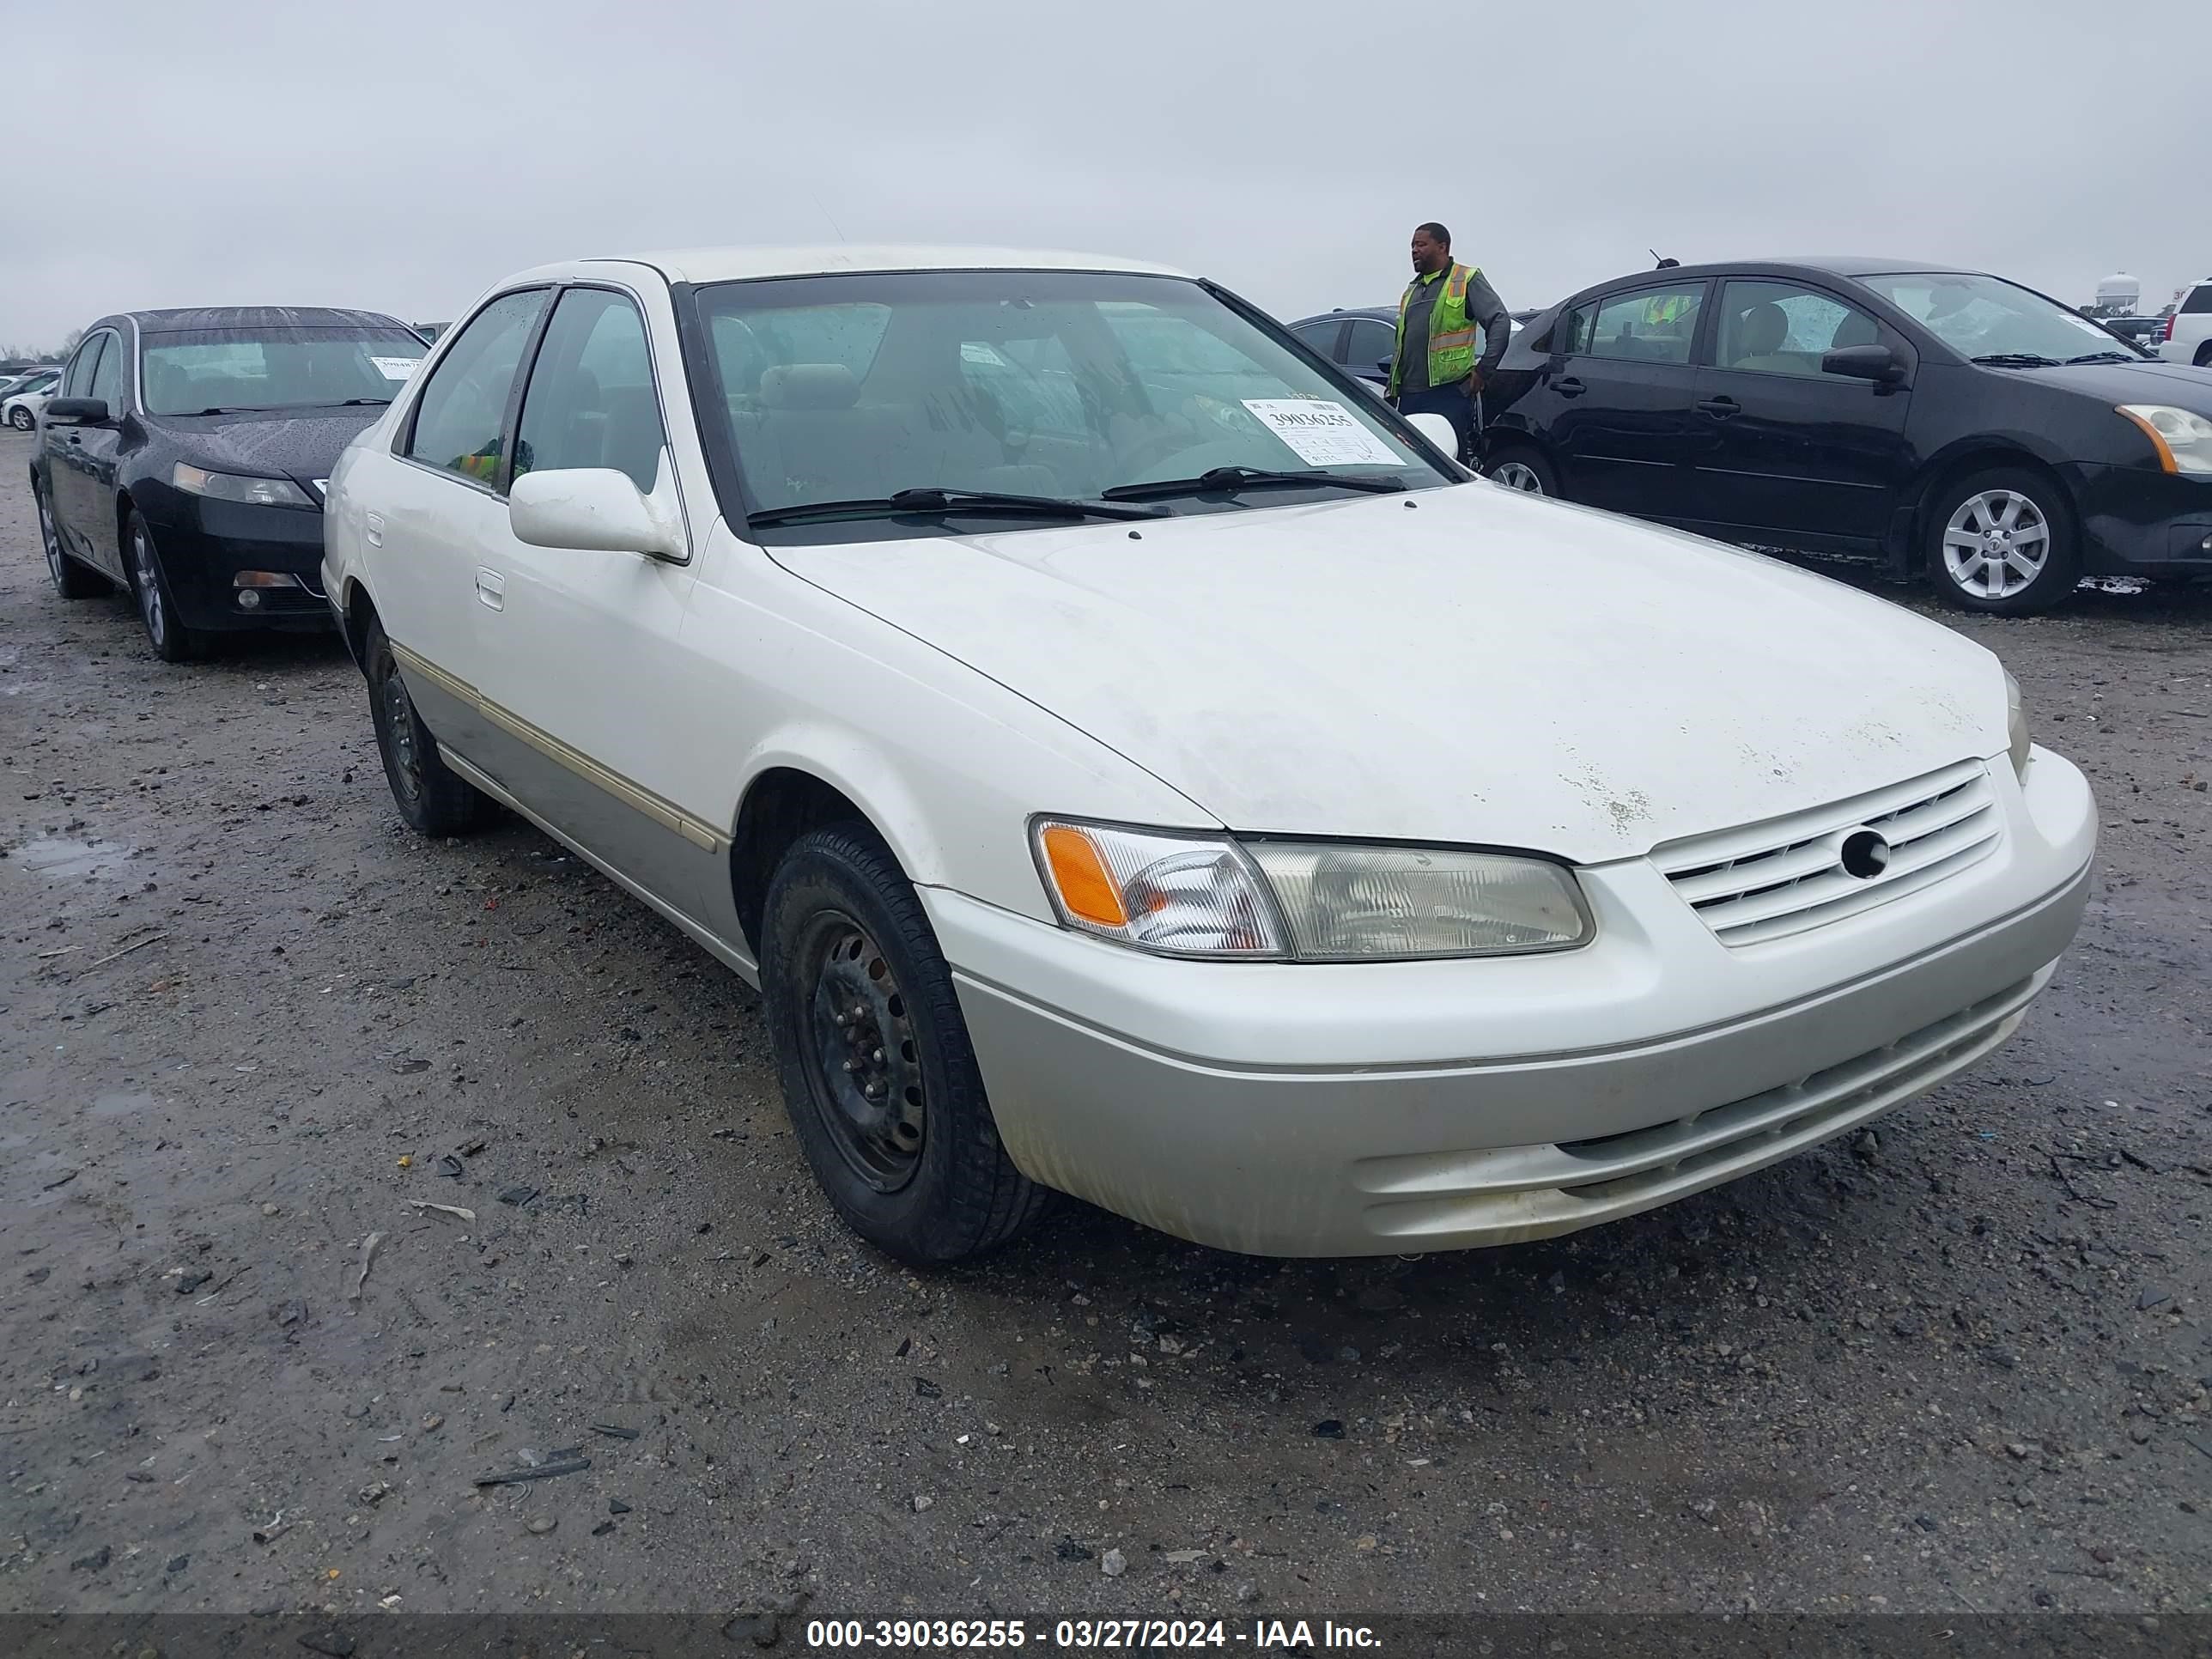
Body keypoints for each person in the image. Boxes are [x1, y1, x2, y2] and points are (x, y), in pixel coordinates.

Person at [1388, 222, 1510, 462]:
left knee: (1449, 464)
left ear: (1442, 246)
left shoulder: (1466, 278)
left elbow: (1499, 321)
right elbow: (1402, 344)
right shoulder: (1411, 290)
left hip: (1448, 393)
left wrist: (1484, 371)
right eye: (1412, 245)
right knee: (1413, 465)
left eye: (1421, 244)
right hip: (1410, 396)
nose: (1414, 250)